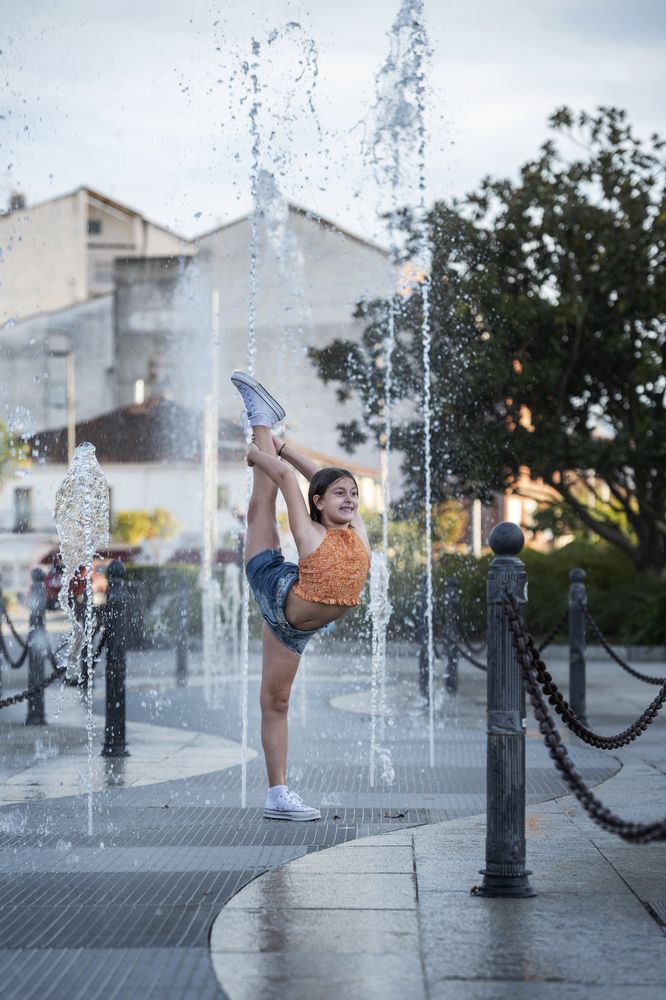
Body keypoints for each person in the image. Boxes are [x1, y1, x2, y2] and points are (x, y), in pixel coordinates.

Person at [231, 371, 371, 821]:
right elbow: (292, 483)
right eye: (339, 494)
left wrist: (287, 448)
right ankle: (259, 423)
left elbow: (320, 477)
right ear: (320, 503)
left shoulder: (358, 533)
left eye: (353, 493)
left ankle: (277, 796)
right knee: (261, 504)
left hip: (294, 631)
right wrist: (260, 456)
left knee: (276, 702)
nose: (349, 498)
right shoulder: (311, 535)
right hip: (275, 587)